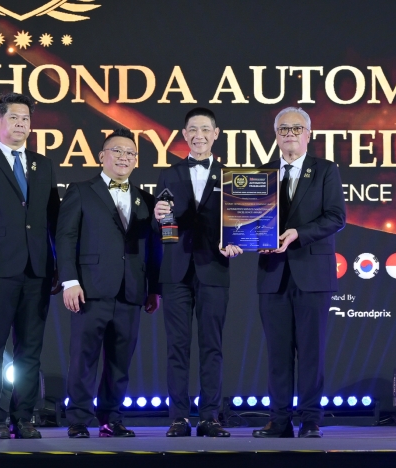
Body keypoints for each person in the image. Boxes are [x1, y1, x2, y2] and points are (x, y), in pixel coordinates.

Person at [0, 92, 60, 439]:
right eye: (14, 118)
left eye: (26, 119)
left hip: (38, 269)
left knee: (30, 348)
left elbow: (53, 220)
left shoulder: (42, 165)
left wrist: (59, 267)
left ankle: (24, 416)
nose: (21, 124)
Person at [56, 128, 161, 439]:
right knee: (83, 357)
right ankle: (78, 418)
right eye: (117, 151)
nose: (124, 157)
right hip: (90, 289)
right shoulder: (80, 191)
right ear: (102, 156)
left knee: (120, 362)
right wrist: (70, 281)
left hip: (131, 291)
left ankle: (111, 418)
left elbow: (153, 248)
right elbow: (65, 238)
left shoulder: (145, 199)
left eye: (130, 153)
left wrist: (153, 288)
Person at [252, 107, 346, 439]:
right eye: (283, 129)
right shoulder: (260, 175)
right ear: (276, 135)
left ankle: (310, 420)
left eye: (296, 128)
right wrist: (251, 238)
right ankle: (279, 421)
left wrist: (298, 234)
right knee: (277, 354)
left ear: (309, 134)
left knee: (310, 353)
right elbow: (248, 222)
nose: (290, 134)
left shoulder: (325, 171)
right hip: (272, 273)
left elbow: (336, 217)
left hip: (313, 273)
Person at [154, 108, 243, 438]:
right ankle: (178, 417)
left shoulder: (231, 177)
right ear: (184, 134)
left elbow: (242, 223)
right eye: (193, 129)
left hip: (214, 268)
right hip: (175, 271)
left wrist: (238, 241)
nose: (199, 135)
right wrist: (161, 218)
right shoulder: (169, 174)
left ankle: (209, 417)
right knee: (176, 346)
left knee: (212, 346)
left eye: (205, 129)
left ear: (216, 134)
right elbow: (164, 229)